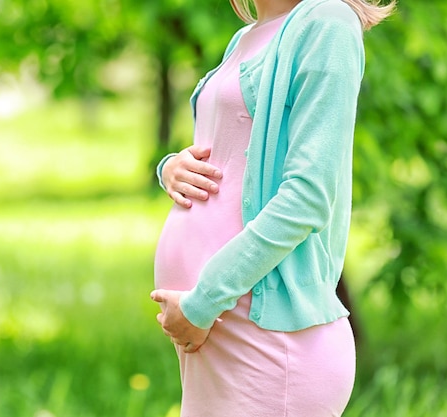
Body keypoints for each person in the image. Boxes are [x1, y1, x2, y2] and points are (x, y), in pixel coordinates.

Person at [150, 0, 394, 416]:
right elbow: (232, 153)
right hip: (219, 331)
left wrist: (203, 301)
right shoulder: (244, 38)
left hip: (269, 342)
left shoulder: (328, 23)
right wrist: (171, 167)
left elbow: (308, 196)